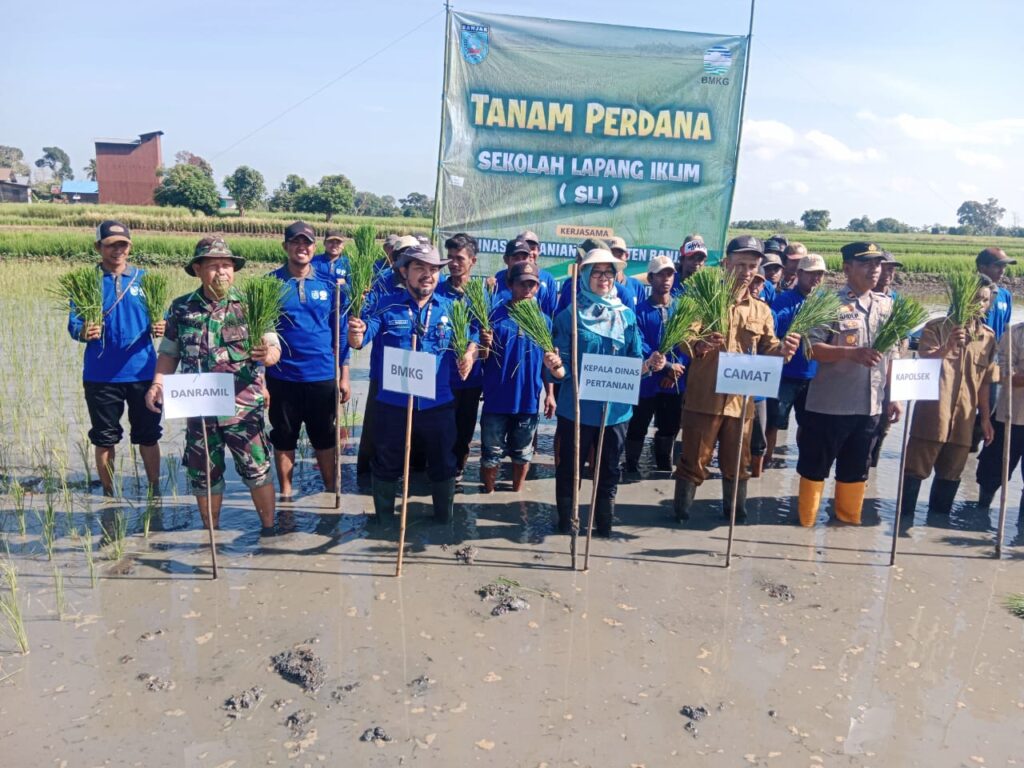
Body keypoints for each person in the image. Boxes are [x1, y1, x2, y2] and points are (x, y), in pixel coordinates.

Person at [144, 237, 280, 533]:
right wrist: (157, 384)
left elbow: (273, 347)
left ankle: (270, 531)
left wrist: (267, 355)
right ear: (197, 269)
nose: (222, 272)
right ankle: (211, 536)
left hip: (242, 407)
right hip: (199, 408)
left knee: (257, 469)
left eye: (227, 266)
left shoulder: (250, 304)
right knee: (204, 474)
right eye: (214, 266)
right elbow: (169, 352)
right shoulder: (181, 308)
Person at [672, 236, 800, 523]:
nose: (746, 272)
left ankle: (734, 515)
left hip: (741, 405)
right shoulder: (700, 300)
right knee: (693, 462)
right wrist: (701, 344)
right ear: (726, 263)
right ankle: (680, 515)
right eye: (740, 264)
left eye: (752, 266)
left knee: (738, 465)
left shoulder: (761, 310)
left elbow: (769, 349)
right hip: (704, 399)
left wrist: (784, 351)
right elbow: (683, 340)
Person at [348, 243, 476, 523]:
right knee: (386, 464)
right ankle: (384, 523)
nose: (428, 275)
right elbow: (361, 339)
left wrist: (469, 354)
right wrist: (355, 334)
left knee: (444, 464)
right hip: (393, 403)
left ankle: (444, 524)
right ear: (404, 271)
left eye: (433, 269)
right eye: (420, 268)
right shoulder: (387, 306)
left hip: (438, 404)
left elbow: (469, 341)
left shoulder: (452, 308)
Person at [545, 248, 662, 536]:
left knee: (609, 468)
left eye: (608, 272)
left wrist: (650, 365)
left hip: (616, 410)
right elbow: (561, 370)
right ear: (584, 275)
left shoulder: (626, 317)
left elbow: (635, 361)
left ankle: (604, 525)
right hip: (577, 407)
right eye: (596, 272)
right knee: (570, 468)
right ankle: (567, 523)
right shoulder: (569, 315)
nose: (603, 278)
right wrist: (556, 368)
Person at [795, 242, 900, 527]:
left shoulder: (887, 306)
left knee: (856, 473)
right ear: (847, 268)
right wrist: (848, 353)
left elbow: (893, 355)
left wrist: (894, 396)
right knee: (814, 470)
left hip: (869, 408)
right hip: (830, 406)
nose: (874, 269)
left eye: (877, 264)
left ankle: (847, 528)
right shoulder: (827, 303)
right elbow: (810, 348)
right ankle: (804, 531)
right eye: (866, 263)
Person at [68, 220, 164, 497]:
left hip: (143, 372)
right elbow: (74, 324)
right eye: (111, 245)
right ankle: (110, 495)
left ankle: (154, 490)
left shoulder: (146, 279)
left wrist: (162, 325)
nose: (117, 250)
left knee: (148, 434)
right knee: (104, 436)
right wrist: (83, 331)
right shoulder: (86, 283)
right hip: (102, 375)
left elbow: (163, 319)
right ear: (99, 247)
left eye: (123, 245)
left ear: (130, 247)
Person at [266, 221, 351, 501]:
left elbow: (340, 334)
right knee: (284, 437)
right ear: (285, 247)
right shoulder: (270, 284)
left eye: (307, 243)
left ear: (314, 248)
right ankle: (286, 496)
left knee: (325, 438)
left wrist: (344, 375)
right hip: (282, 377)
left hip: (322, 375)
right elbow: (260, 333)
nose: (301, 248)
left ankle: (330, 490)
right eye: (295, 242)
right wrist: (260, 380)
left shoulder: (330, 286)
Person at [902, 278, 996, 518]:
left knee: (951, 475)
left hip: (963, 423)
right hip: (932, 417)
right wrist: (948, 346)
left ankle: (935, 532)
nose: (980, 304)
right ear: (962, 298)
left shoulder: (988, 337)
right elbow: (923, 360)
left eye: (985, 300)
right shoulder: (937, 327)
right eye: (976, 298)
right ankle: (903, 525)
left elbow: (985, 382)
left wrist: (985, 419)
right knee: (914, 472)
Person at [479, 261, 557, 492]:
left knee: (523, 453)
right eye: (522, 284)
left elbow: (548, 363)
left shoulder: (543, 321)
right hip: (496, 399)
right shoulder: (493, 317)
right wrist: (484, 345)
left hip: (528, 399)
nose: (528, 290)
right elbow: (481, 357)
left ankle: (517, 495)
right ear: (511, 284)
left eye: (532, 285)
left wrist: (550, 394)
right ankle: (490, 493)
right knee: (491, 453)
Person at [355, 234, 419, 480]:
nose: (405, 260)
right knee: (377, 428)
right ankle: (368, 476)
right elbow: (366, 321)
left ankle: (410, 475)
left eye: (411, 255)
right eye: (400, 255)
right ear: (394, 259)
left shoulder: (427, 282)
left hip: (417, 372)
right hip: (385, 370)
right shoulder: (381, 284)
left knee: (414, 427)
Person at [625, 256, 688, 473]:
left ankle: (663, 466)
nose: (666, 279)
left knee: (669, 426)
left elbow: (688, 343)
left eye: (669, 274)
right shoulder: (639, 311)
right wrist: (661, 364)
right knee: (637, 425)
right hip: (646, 380)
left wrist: (674, 369)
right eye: (660, 274)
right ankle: (631, 465)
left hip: (674, 382)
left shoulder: (682, 309)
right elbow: (638, 341)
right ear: (650, 278)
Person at [764, 254, 828, 467]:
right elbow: (769, 336)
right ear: (799, 273)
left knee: (809, 425)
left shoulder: (824, 303)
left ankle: (803, 467)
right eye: (811, 274)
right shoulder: (783, 302)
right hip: (785, 375)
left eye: (820, 274)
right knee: (773, 422)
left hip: (814, 375)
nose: (816, 279)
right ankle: (764, 462)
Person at [438, 232, 485, 479]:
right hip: (440, 374)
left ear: (473, 261)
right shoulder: (437, 291)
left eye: (460, 258)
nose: (454, 263)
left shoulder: (479, 295)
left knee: (464, 429)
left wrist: (470, 352)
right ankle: (438, 472)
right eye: (450, 258)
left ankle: (457, 472)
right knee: (439, 427)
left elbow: (480, 331)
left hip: (470, 377)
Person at [976, 321, 1024, 512]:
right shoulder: (1014, 334)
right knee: (991, 475)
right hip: (1010, 418)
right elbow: (1004, 374)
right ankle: (979, 516)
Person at [492, 230, 558, 316]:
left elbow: (553, 313)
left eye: (533, 248)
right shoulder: (498, 278)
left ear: (539, 251)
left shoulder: (547, 279)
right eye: (526, 247)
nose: (530, 252)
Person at [977, 247, 1015, 341]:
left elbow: (1005, 329)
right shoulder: (969, 294)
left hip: (995, 352)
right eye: (998, 266)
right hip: (972, 352)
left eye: (1004, 266)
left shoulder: (1005, 295)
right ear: (982, 268)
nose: (1002, 271)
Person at [607, 236, 647, 310]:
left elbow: (640, 316)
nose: (615, 260)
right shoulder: (603, 286)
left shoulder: (636, 286)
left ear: (626, 256)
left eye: (619, 255)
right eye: (611, 256)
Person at [760, 239, 786, 304]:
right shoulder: (757, 290)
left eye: (776, 269)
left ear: (782, 271)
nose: (772, 272)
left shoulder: (786, 291)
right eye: (768, 269)